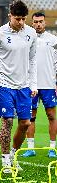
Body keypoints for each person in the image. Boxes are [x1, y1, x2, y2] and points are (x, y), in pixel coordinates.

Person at [0, 0, 37, 173]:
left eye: (23, 19)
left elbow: (32, 60)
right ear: (10, 16)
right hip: (3, 84)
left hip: (23, 86)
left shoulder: (31, 33)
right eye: (17, 19)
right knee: (7, 121)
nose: (21, 22)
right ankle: (5, 160)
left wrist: (33, 84)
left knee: (25, 123)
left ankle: (14, 154)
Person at [22, 12, 57, 158]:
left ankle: (52, 148)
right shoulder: (27, 39)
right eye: (35, 22)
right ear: (32, 23)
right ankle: (30, 148)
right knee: (30, 117)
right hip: (31, 85)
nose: (38, 24)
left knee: (51, 116)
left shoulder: (53, 40)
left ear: (45, 22)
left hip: (48, 84)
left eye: (40, 21)